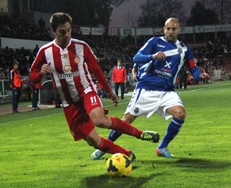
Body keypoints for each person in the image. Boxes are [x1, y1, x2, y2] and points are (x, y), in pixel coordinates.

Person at [30, 12, 159, 160]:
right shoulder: (45, 52)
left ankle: (140, 134)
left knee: (100, 120)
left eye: (69, 30)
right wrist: (40, 73)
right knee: (93, 141)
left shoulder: (81, 46)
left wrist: (109, 90)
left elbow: (96, 69)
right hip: (69, 103)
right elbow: (33, 78)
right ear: (53, 31)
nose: (67, 34)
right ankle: (127, 154)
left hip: (86, 92)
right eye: (62, 31)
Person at [91, 18, 209, 159]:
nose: (170, 31)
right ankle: (105, 147)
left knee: (180, 114)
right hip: (146, 89)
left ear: (179, 30)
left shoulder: (184, 49)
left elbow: (193, 68)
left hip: (167, 91)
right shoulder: (155, 42)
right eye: (168, 28)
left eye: (173, 29)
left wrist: (200, 76)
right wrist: (152, 56)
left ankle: (162, 147)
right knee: (126, 120)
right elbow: (137, 57)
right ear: (164, 29)